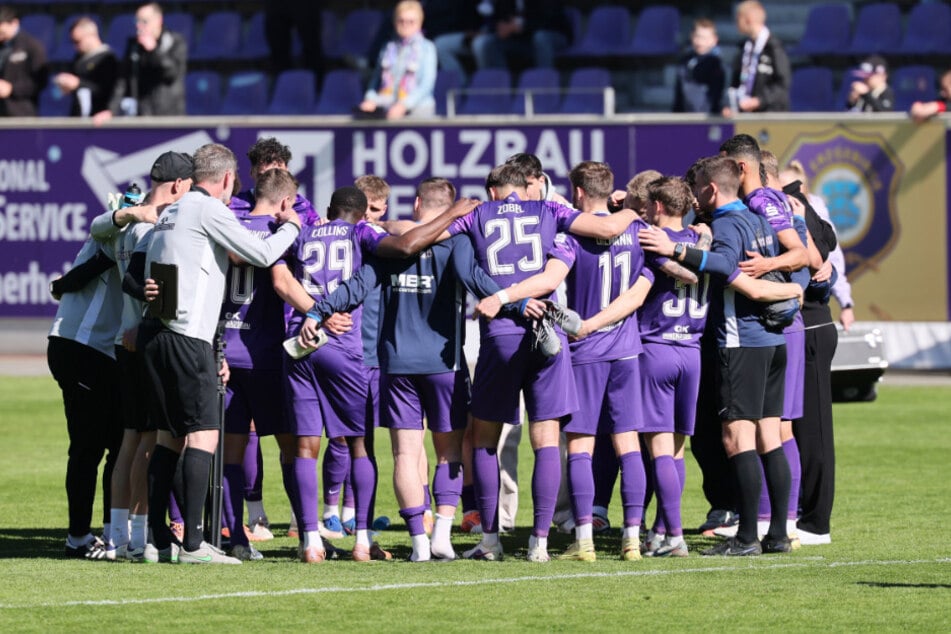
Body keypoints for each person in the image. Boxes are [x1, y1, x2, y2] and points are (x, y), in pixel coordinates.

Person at [276, 185, 479, 562]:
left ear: (329, 209)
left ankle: (312, 540)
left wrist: (316, 312)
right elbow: (412, 250)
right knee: (365, 446)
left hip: (307, 343)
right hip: (358, 348)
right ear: (361, 214)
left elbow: (284, 280)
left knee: (310, 447)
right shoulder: (364, 235)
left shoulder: (304, 233)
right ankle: (366, 539)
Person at [457, 163, 643, 562]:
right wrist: (631, 208)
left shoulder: (477, 214)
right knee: (546, 442)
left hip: (501, 335)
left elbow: (441, 247)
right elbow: (606, 228)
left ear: (492, 190)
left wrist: (502, 297)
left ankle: (490, 541)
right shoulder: (550, 211)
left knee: (486, 440)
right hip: (548, 335)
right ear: (525, 187)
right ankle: (539, 543)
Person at [141, 143, 302, 565]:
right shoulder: (208, 208)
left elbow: (147, 274)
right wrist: (291, 227)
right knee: (203, 437)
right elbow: (260, 253)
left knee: (168, 438)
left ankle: (157, 539)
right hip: (188, 336)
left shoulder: (171, 211)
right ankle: (195, 545)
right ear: (228, 178)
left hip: (157, 334)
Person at [639, 156, 794, 557]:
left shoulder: (724, 224)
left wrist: (676, 249)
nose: (695, 198)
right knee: (770, 436)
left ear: (710, 189)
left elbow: (724, 266)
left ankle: (746, 536)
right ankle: (778, 534)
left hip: (741, 339)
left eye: (698, 189)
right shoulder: (758, 219)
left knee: (736, 437)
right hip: (773, 339)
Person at [81, 151, 194, 561]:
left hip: (122, 341)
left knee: (131, 439)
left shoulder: (129, 220)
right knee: (150, 442)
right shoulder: (158, 225)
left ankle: (117, 536)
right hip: (143, 339)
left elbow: (99, 231)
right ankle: (137, 536)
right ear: (178, 185)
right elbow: (142, 284)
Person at [96, 2, 186, 124]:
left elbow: (172, 74)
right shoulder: (134, 46)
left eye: (144, 21)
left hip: (170, 115)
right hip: (143, 114)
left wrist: (154, 50)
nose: (139, 26)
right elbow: (123, 80)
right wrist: (111, 110)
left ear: (158, 20)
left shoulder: (175, 41)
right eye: (137, 21)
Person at [357, 1, 437, 120]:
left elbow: (426, 85)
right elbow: (376, 81)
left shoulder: (427, 48)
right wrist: (370, 99)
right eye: (401, 21)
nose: (405, 25)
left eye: (411, 21)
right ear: (395, 22)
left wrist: (404, 105)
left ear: (419, 23)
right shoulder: (388, 47)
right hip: (388, 106)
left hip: (418, 110)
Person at [230, 137, 320, 225]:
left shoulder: (302, 206)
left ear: (287, 173)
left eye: (278, 175)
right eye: (263, 177)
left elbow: (316, 231)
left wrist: (322, 224)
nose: (270, 181)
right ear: (252, 172)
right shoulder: (233, 205)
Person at [723, 0, 790, 116]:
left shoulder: (773, 48)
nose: (736, 23)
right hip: (746, 116)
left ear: (748, 19)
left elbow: (782, 86)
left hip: (771, 116)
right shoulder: (744, 48)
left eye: (738, 19)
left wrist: (759, 101)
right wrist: (731, 105)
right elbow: (736, 83)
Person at [471, 1, 572, 70]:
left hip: (553, 36)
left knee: (540, 38)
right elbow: (494, 19)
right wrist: (500, 27)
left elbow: (550, 20)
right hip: (520, 40)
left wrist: (521, 25)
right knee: (484, 43)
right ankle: (498, 86)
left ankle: (544, 84)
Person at [53, 16, 118, 118]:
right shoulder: (78, 58)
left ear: (91, 36)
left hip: (99, 116)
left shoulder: (107, 59)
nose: (75, 46)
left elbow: (107, 90)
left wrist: (78, 84)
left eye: (78, 41)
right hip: (79, 115)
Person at [0, 5, 48, 117]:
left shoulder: (31, 46)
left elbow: (40, 81)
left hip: (21, 113)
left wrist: (12, 89)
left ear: (14, 23)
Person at [673, 18, 726, 114]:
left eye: (705, 38)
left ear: (714, 40)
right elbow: (679, 94)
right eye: (698, 37)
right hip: (684, 115)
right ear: (692, 36)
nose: (700, 41)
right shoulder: (684, 61)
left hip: (706, 116)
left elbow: (716, 95)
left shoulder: (715, 64)